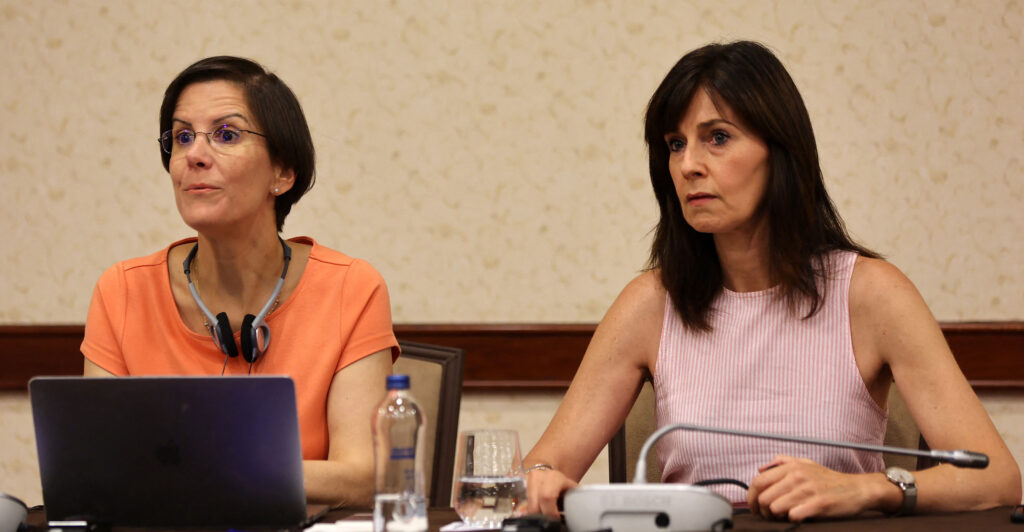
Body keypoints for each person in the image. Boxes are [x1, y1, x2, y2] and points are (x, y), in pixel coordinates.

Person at [522, 41, 1021, 521]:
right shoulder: (651, 303)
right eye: (676, 145)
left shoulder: (871, 294)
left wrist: (866, 488)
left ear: (780, 151)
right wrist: (542, 481)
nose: (689, 165)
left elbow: (996, 479)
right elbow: (540, 470)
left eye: (717, 137)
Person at [81, 56, 399, 507]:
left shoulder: (351, 289)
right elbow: (95, 466)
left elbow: (366, 477)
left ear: (282, 173)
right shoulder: (123, 291)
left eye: (226, 134)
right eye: (182, 136)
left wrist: (204, 464)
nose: (194, 154)